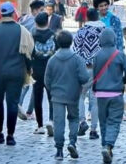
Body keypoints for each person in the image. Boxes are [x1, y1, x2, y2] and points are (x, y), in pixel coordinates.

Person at [0, 1, 31, 146]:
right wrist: (29, 70)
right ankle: (10, 136)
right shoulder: (22, 31)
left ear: (1, 14)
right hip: (16, 73)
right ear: (13, 14)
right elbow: (28, 54)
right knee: (12, 103)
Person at [45, 31, 89, 161]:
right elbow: (84, 77)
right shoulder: (77, 59)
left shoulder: (52, 60)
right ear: (71, 42)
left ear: (57, 43)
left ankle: (59, 150)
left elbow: (47, 81)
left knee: (58, 122)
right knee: (74, 119)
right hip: (73, 95)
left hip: (57, 96)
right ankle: (72, 143)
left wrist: (53, 90)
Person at [93, 28, 126, 163]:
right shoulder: (120, 55)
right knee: (114, 121)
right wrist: (121, 82)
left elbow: (94, 74)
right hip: (116, 93)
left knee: (103, 121)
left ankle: (105, 146)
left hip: (100, 93)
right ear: (114, 39)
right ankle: (108, 145)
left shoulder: (97, 55)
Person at [73, 8, 105, 139]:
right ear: (98, 17)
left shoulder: (81, 31)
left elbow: (75, 51)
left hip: (84, 69)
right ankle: (93, 130)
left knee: (80, 96)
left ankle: (82, 121)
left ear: (86, 17)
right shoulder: (104, 31)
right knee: (95, 99)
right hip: (100, 69)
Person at [30, 13, 56, 136]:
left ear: (36, 23)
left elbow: (29, 53)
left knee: (37, 98)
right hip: (51, 71)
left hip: (37, 71)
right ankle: (51, 120)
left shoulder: (32, 36)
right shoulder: (53, 36)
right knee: (52, 97)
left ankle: (40, 125)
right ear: (48, 22)